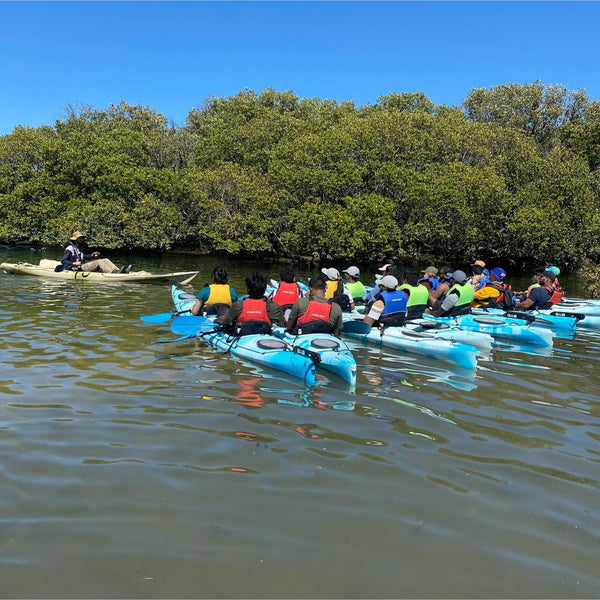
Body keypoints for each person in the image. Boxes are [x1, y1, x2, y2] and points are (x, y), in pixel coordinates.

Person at [218, 271, 285, 335]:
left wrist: (217, 320)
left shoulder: (238, 305)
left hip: (242, 336)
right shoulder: (274, 307)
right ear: (265, 289)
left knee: (223, 309)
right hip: (264, 336)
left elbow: (226, 320)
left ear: (248, 289)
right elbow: (283, 325)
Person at [61, 231, 128, 274]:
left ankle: (118, 271)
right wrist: (73, 263)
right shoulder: (69, 249)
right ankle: (112, 273)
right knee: (99, 261)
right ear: (75, 239)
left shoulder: (79, 248)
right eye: (80, 238)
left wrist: (92, 256)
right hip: (77, 268)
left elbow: (83, 257)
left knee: (105, 259)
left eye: (82, 238)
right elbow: (63, 260)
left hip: (82, 266)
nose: (82, 239)